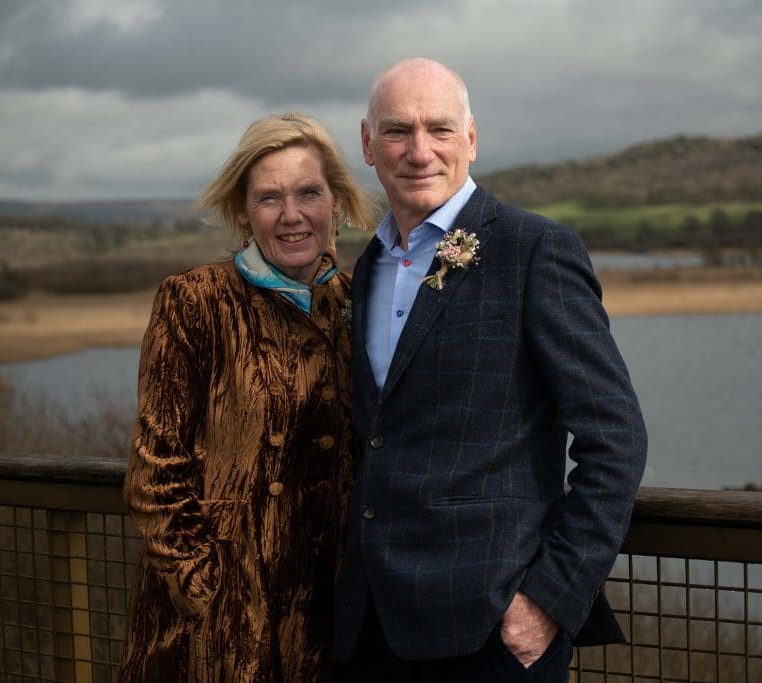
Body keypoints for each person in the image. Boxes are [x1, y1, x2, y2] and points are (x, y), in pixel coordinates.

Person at [333, 58, 648, 681]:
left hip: (491, 634)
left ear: (471, 139)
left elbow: (615, 438)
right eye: (397, 130)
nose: (419, 151)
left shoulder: (533, 251)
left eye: (440, 130)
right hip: (371, 628)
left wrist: (549, 601)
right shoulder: (367, 266)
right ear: (368, 145)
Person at [120, 112, 372, 682]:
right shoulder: (196, 302)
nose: (291, 215)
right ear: (242, 211)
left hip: (328, 620)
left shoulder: (359, 303)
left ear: (336, 203)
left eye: (309, 192)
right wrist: (211, 592)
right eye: (269, 198)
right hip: (219, 634)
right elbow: (155, 473)